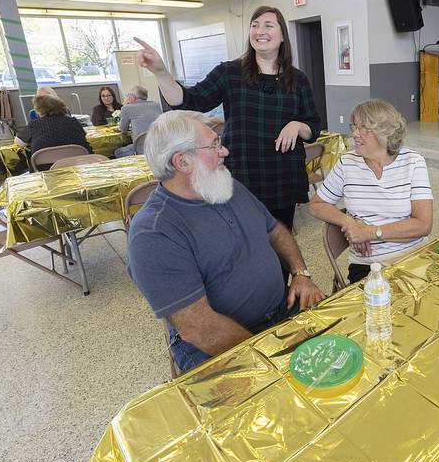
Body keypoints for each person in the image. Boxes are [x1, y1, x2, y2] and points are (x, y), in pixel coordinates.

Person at [127, 110, 325, 373]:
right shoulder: (154, 233)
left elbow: (275, 230)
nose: (225, 151)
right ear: (183, 162)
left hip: (281, 311)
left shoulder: (224, 186)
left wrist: (301, 274)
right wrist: (269, 359)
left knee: (344, 358)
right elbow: (200, 329)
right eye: (214, 145)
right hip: (214, 347)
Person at [134, 5, 321, 229]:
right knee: (243, 243)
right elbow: (188, 100)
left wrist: (297, 125)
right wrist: (161, 72)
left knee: (281, 243)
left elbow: (314, 127)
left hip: (282, 176)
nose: (260, 31)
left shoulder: (297, 80)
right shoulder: (230, 73)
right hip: (242, 175)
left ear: (282, 36)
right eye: (255, 25)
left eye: (268, 25)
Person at [309, 99, 434, 284]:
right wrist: (349, 223)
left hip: (413, 256)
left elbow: (423, 225)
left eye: (363, 128)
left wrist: (370, 232)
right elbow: (316, 205)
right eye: (354, 127)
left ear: (385, 132)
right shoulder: (347, 163)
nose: (355, 134)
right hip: (368, 265)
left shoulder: (413, 162)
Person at [15, 95, 92, 171]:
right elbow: (83, 135)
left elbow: (19, 142)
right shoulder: (73, 122)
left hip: (45, 172)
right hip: (79, 168)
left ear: (39, 110)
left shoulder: (35, 125)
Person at [114, 85, 162, 157]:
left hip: (142, 148)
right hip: (160, 144)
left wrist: (125, 105)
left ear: (132, 97)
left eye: (127, 96)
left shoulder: (127, 108)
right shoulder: (156, 105)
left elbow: (123, 129)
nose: (126, 98)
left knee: (118, 152)